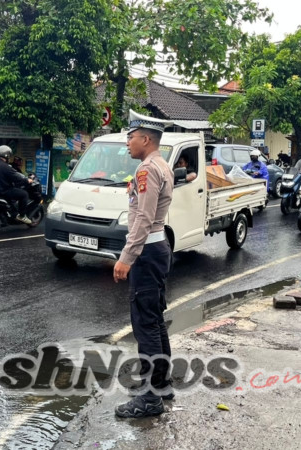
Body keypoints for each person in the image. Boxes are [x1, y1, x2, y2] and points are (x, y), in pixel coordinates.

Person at [113, 110, 174, 419]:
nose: (127, 143)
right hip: (158, 248)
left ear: (146, 139)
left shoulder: (147, 169)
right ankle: (161, 384)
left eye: (131, 137)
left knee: (145, 324)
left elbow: (144, 219)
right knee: (155, 319)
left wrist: (127, 257)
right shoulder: (161, 165)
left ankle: (150, 399)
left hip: (147, 252)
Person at [0, 145, 32, 225]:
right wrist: (27, 180)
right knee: (24, 194)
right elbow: (17, 177)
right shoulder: (6, 167)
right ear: (7, 155)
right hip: (2, 191)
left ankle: (11, 212)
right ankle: (22, 216)